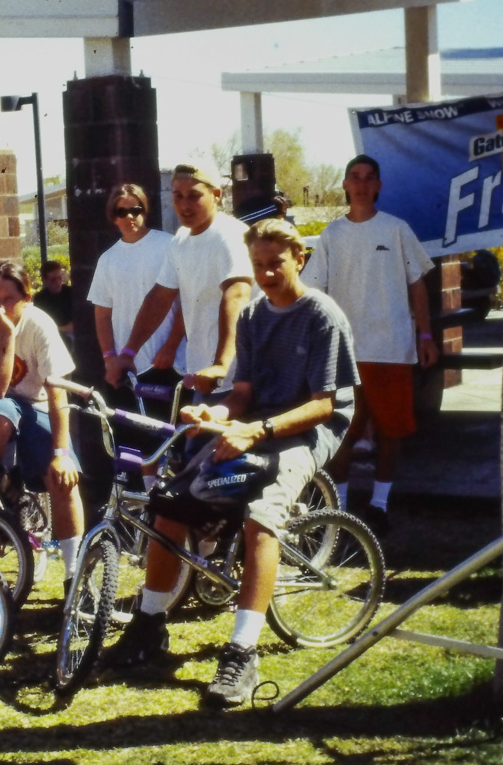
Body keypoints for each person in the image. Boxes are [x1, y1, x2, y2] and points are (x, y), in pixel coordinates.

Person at [177, 218, 358, 707]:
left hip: (310, 430)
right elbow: (241, 395)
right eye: (258, 265)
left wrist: (257, 429)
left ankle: (242, 652)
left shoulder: (322, 315)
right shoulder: (253, 316)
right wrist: (212, 414)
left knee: (262, 519)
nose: (266, 273)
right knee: (172, 500)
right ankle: (149, 622)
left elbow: (324, 404)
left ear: (299, 258)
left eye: (275, 263)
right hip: (255, 421)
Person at [109, 163, 253, 664]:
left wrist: (222, 360)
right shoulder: (181, 243)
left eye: (194, 195)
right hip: (200, 378)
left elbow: (234, 296)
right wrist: (128, 349)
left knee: (207, 482)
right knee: (185, 477)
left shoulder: (229, 237)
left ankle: (221, 553)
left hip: (236, 379)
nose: (185, 204)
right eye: (177, 196)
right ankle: (209, 561)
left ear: (217, 193)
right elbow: (160, 297)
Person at [302, 154, 438, 535]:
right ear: (345, 184)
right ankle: (339, 512)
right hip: (343, 352)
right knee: (341, 432)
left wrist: (425, 335)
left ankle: (379, 506)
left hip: (392, 348)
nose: (361, 184)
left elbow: (417, 284)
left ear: (378, 186)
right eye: (354, 177)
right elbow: (313, 290)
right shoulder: (332, 234)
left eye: (368, 178)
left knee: (390, 431)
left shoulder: (396, 229)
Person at [0, 262, 85, 591]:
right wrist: (5, 335)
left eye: (9, 298)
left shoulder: (41, 324)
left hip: (37, 403)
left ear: (27, 299)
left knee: (63, 479)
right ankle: (0, 491)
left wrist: (61, 453)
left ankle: (74, 575)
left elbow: (57, 392)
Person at [88, 182, 185, 422]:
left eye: (136, 209)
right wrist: (110, 358)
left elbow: (186, 303)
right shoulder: (108, 260)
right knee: (136, 448)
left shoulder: (168, 245)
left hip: (169, 364)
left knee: (172, 443)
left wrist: (171, 347)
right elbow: (102, 315)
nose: (129, 216)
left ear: (145, 210)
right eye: (122, 211)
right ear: (114, 217)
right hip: (128, 371)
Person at [32, 261, 74, 346]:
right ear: (44, 280)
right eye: (53, 280)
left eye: (60, 278)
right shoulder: (40, 299)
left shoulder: (71, 293)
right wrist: (62, 329)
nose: (58, 282)